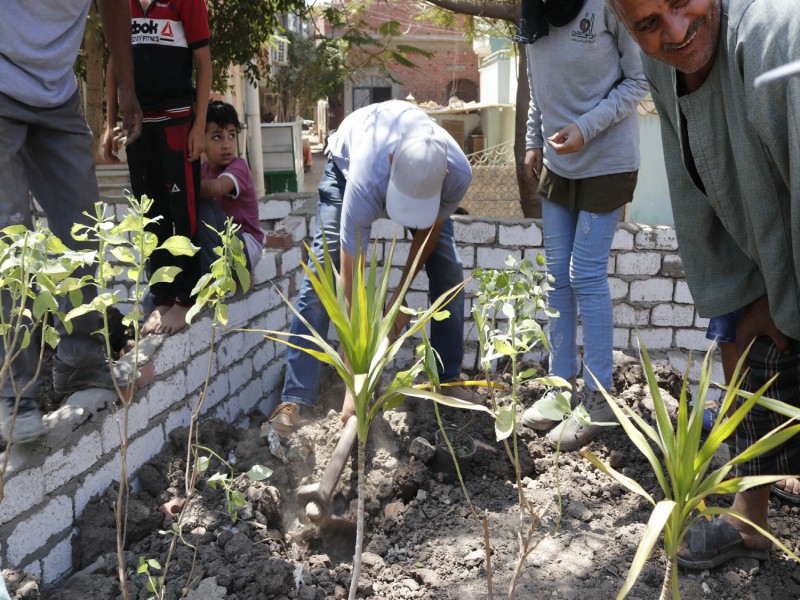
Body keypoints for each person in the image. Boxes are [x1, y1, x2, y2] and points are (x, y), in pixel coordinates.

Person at [609, 0, 800, 570]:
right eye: (647, 24)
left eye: (678, 2)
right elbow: (690, 188)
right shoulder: (662, 68)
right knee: (741, 346)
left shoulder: (778, 40)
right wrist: (744, 296)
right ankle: (749, 521)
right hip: (765, 256)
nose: (675, 31)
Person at [269, 100, 473, 436]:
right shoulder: (365, 177)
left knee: (448, 268)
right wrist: (356, 382)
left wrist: (397, 301)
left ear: (444, 175)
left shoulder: (457, 173)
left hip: (401, 169)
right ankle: (293, 398)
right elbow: (351, 286)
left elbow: (427, 239)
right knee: (324, 269)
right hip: (345, 167)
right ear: (392, 162)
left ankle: (447, 379)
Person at [0, 0, 143, 443]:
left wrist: (126, 87)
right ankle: (13, 394)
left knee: (83, 231)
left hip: (56, 93)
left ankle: (80, 362)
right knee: (11, 238)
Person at [515, 0, 648, 450]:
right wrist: (534, 139)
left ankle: (599, 399)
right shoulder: (533, 10)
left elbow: (639, 80)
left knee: (584, 274)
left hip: (606, 162)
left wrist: (585, 128)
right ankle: (559, 391)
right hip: (559, 164)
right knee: (557, 279)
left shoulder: (606, 6)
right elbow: (540, 89)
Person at [103, 0, 212, 336]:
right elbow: (113, 66)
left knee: (182, 212)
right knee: (149, 214)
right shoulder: (121, 5)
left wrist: (199, 126)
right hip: (137, 127)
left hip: (178, 123)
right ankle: (162, 297)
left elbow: (204, 64)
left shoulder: (187, 2)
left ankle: (185, 299)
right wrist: (109, 123)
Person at [198, 100, 264, 278]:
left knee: (202, 204)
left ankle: (212, 277)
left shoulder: (239, 167)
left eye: (232, 135)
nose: (227, 144)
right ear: (201, 140)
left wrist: (175, 185)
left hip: (247, 246)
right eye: (217, 137)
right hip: (224, 245)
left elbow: (216, 189)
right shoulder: (202, 170)